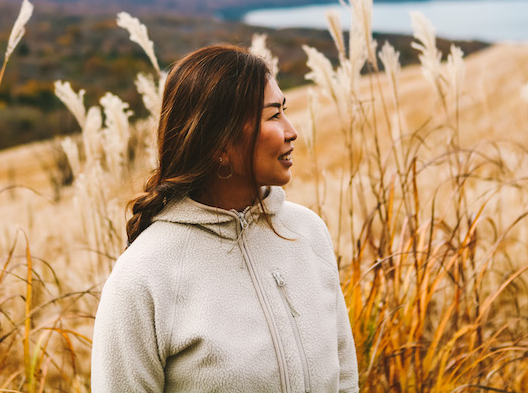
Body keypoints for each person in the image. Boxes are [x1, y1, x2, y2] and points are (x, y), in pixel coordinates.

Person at [91, 45, 358, 392]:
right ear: (219, 141)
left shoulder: (307, 233)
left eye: (284, 112)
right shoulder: (143, 277)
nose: (291, 131)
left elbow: (345, 381)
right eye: (273, 116)